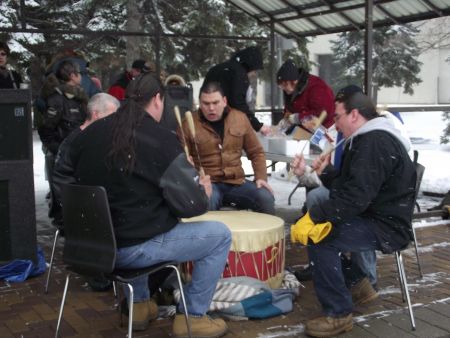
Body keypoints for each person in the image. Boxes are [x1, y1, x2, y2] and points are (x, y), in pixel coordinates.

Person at [68, 73, 231, 337]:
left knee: (137, 217)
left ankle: (140, 306)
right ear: (157, 99)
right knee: (220, 236)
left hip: (89, 245)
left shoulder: (90, 134)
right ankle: (193, 317)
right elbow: (191, 206)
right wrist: (203, 191)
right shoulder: (158, 139)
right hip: (130, 248)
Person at [290, 90, 416, 337]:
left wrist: (315, 215)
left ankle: (338, 314)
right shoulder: (364, 139)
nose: (334, 124)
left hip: (387, 224)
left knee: (320, 237)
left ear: (355, 114)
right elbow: (352, 187)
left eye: (338, 117)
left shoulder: (374, 142)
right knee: (322, 230)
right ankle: (359, 285)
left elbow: (355, 198)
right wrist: (323, 172)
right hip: (375, 215)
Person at [180, 81, 275, 215]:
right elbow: (177, 158)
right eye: (206, 104)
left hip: (236, 181)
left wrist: (261, 177)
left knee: (265, 197)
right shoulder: (188, 124)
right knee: (206, 201)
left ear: (224, 101)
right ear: (200, 103)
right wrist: (186, 165)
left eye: (215, 103)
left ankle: (269, 237)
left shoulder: (240, 118)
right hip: (208, 182)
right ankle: (215, 236)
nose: (211, 108)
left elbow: (256, 152)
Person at [203, 46, 271, 135]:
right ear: (251, 65)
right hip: (224, 124)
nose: (254, 73)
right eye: (255, 70)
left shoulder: (217, 69)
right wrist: (258, 125)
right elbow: (238, 102)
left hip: (207, 120)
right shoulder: (239, 73)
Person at [277, 59, 335, 131]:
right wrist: (286, 119)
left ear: (294, 82)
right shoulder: (291, 91)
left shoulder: (316, 87)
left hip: (326, 131)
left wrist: (298, 117)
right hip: (305, 131)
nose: (283, 88)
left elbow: (324, 111)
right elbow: (290, 109)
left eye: (285, 85)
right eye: (281, 86)